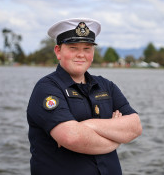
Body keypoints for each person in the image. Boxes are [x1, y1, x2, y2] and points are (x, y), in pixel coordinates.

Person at [27, 18, 142, 175]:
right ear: (58, 51)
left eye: (87, 48)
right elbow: (72, 137)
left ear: (93, 53)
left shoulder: (106, 86)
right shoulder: (47, 89)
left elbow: (135, 126)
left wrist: (87, 126)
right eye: (73, 48)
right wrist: (117, 138)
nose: (81, 55)